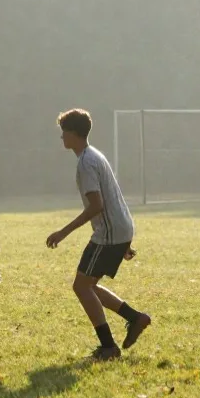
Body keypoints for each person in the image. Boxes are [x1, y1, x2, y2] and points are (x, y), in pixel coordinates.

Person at [46, 109, 151, 360]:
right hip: (119, 230)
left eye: (63, 133)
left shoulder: (86, 163)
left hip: (109, 234)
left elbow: (97, 205)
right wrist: (125, 239)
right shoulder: (95, 155)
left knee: (81, 287)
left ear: (73, 134)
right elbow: (113, 198)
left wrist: (63, 232)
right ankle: (135, 318)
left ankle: (108, 347)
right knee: (88, 285)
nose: (61, 138)